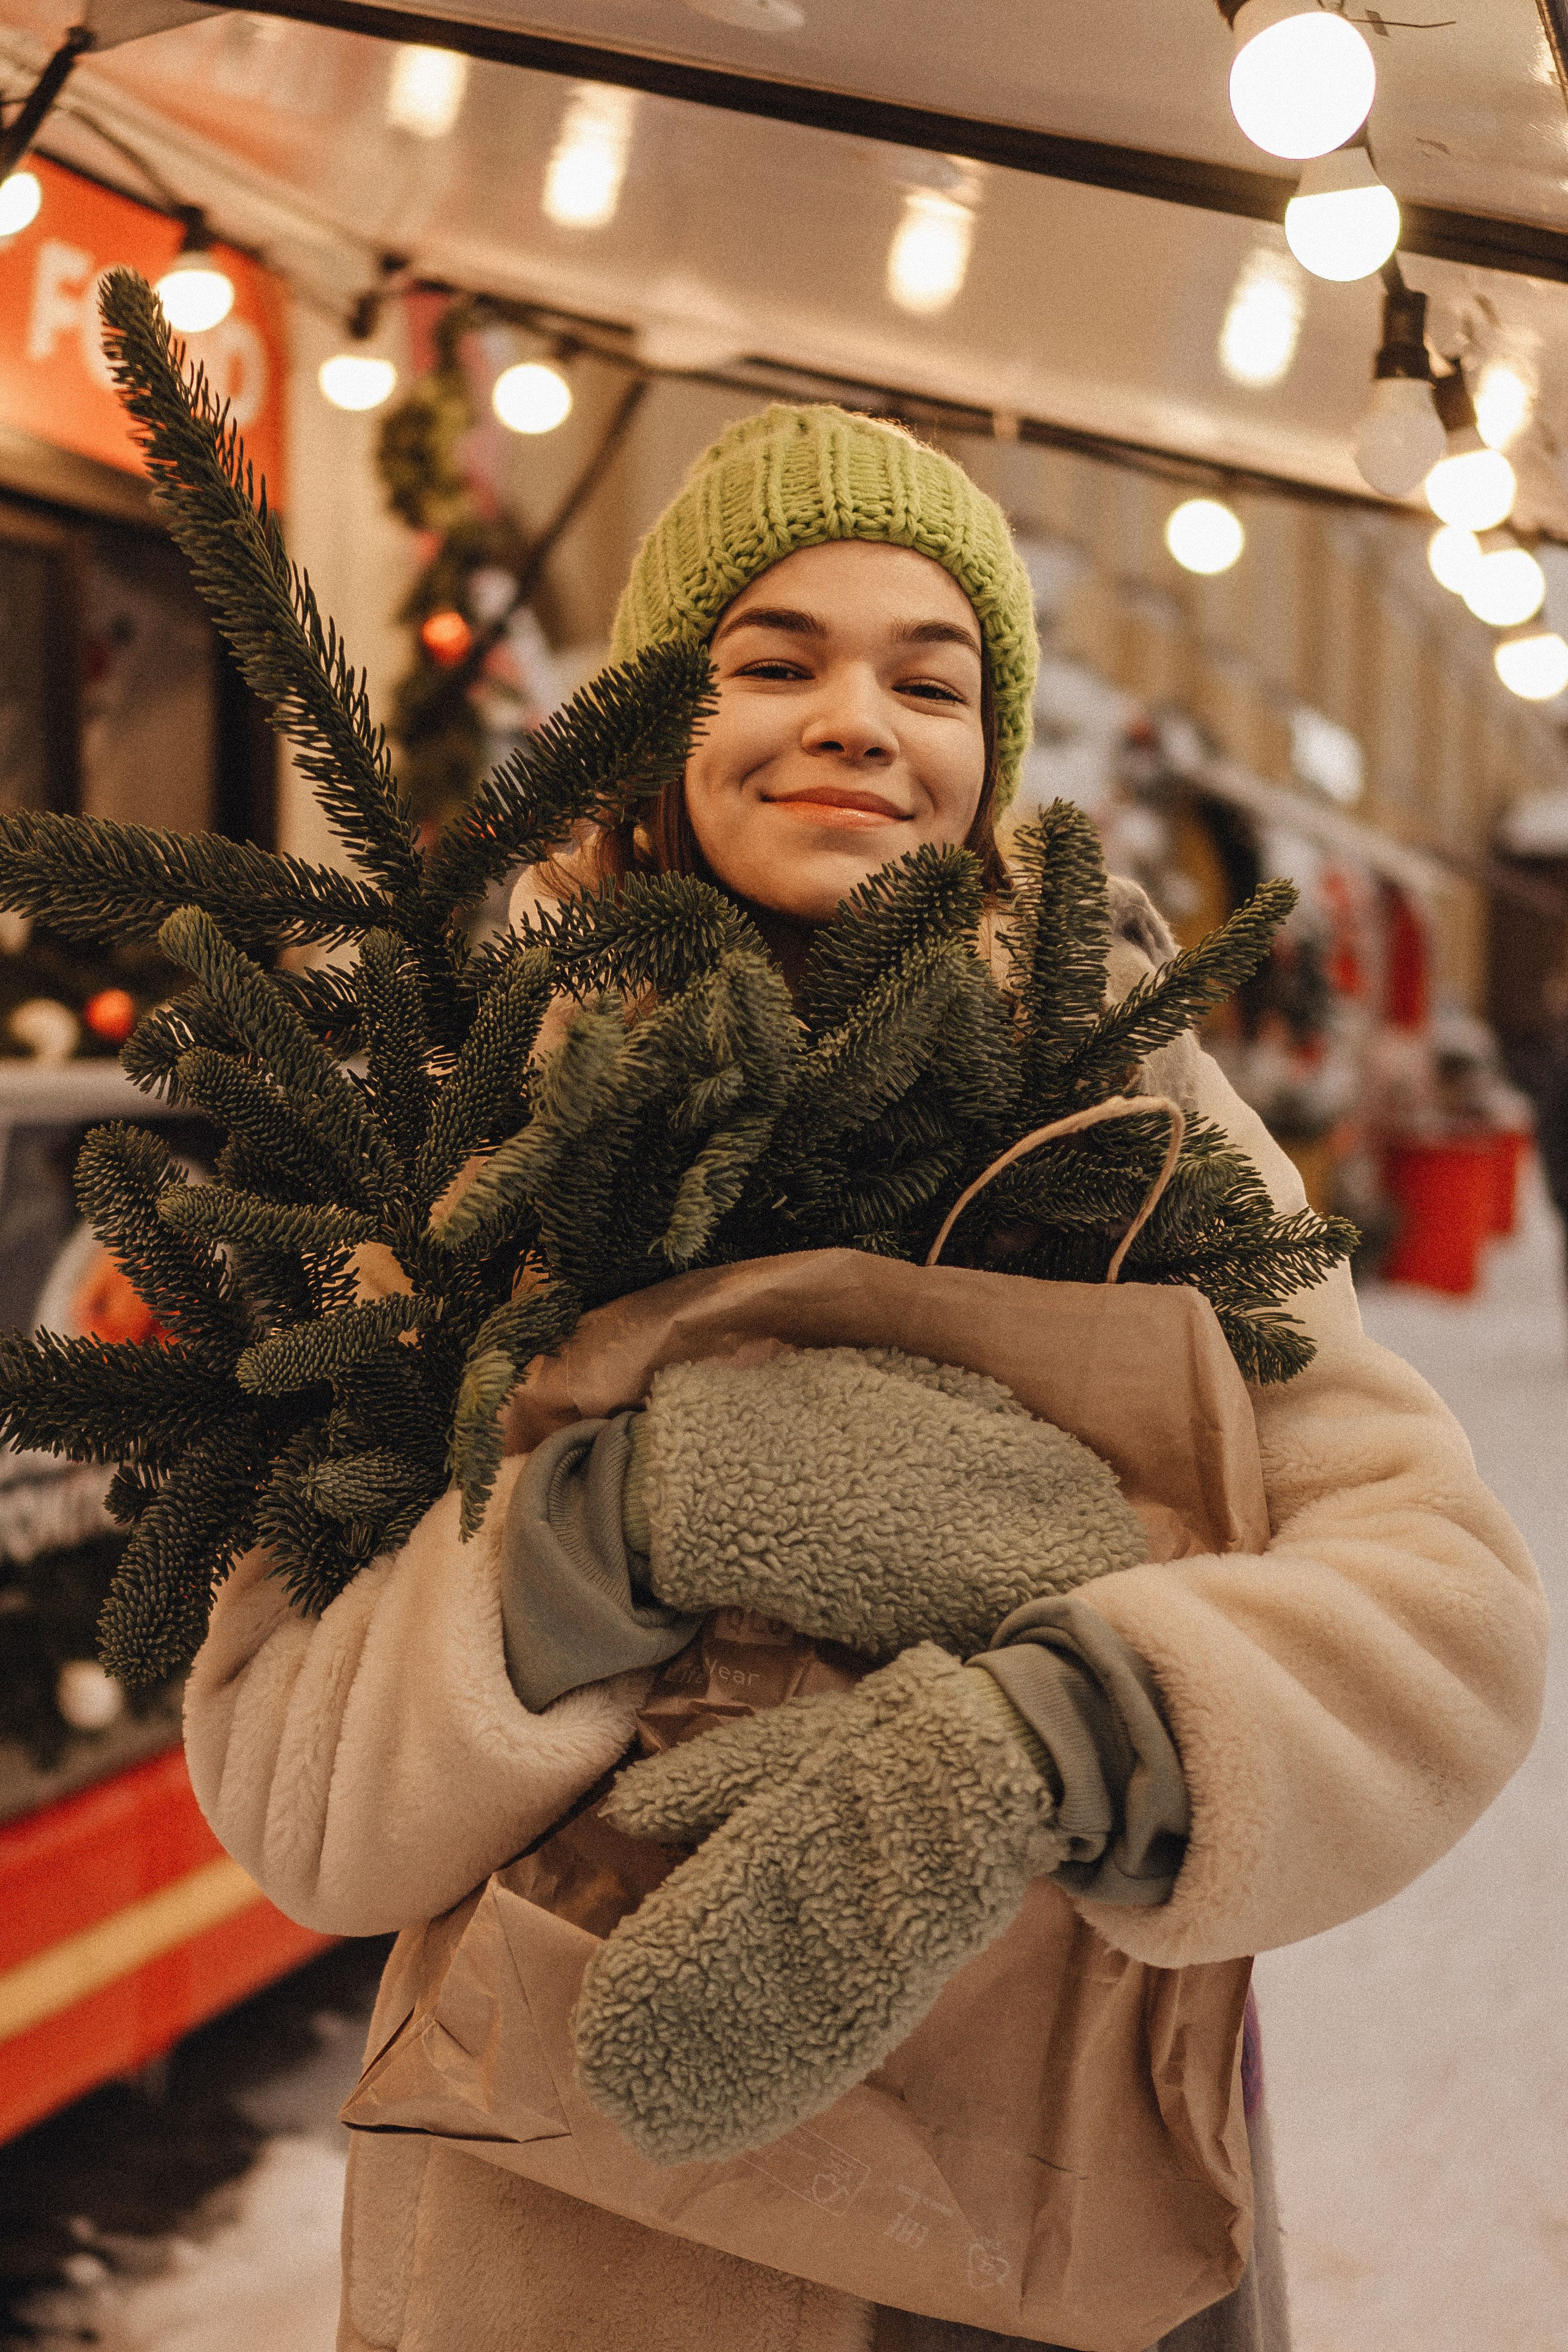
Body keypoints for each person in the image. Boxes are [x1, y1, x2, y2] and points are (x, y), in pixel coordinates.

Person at [183, 406, 1547, 2352]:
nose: (856, 718)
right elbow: (295, 1787)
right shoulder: (486, 1146)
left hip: (1040, 2232)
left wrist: (1056, 1740)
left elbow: (1447, 1617)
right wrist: (610, 1525)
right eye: (771, 660)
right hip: (584, 2242)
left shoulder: (1136, 1118)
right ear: (652, 720)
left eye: (934, 676)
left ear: (988, 756)